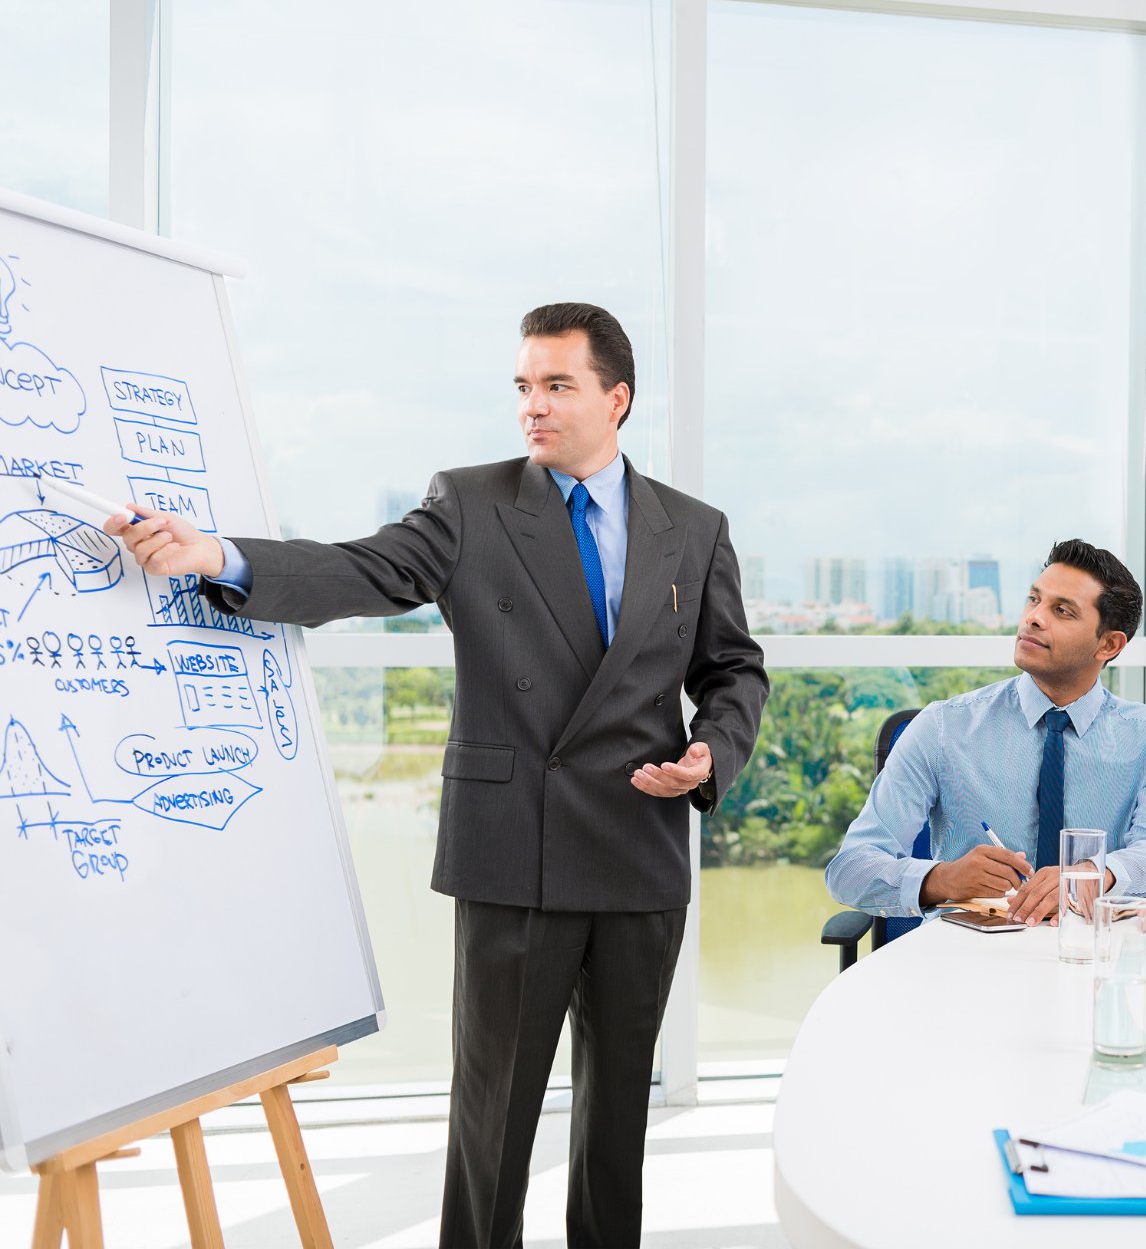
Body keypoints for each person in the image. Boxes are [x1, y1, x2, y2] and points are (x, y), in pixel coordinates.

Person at [106, 303, 769, 1248]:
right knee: (493, 1121)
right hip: (516, 854)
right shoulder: (471, 502)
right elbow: (363, 571)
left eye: (557, 386)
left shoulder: (693, 530)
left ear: (616, 399)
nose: (532, 407)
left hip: (639, 843)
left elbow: (734, 668)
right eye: (523, 387)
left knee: (620, 1118)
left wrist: (712, 754)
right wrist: (221, 554)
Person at [825, 539, 1146, 925]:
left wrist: (1095, 875)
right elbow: (849, 869)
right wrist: (941, 879)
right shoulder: (943, 729)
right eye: (1034, 600)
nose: (1034, 618)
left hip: (1095, 953)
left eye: (1061, 611)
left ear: (1109, 644)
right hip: (970, 961)